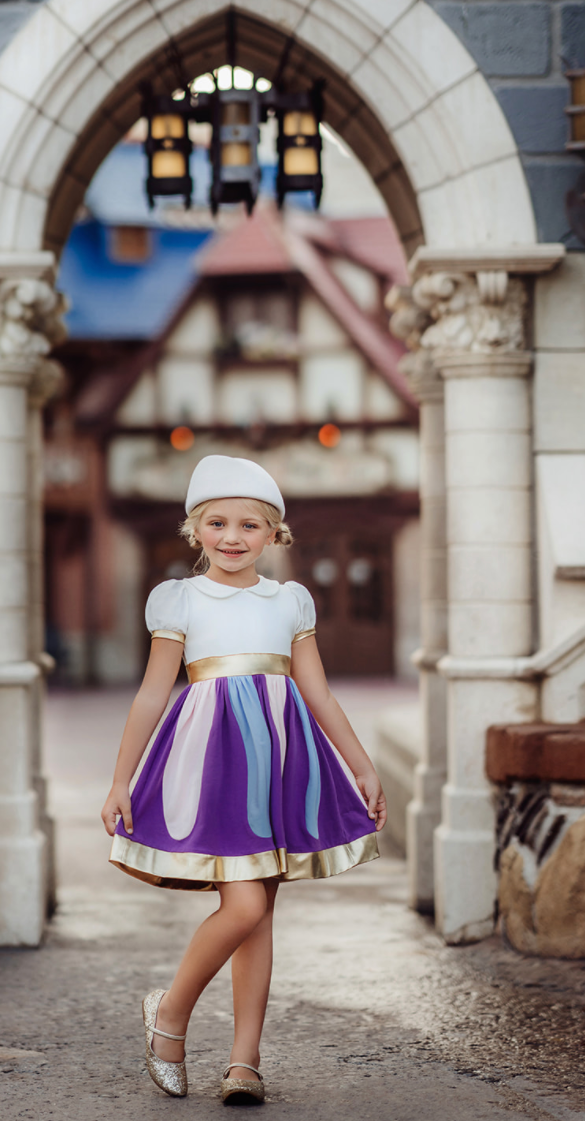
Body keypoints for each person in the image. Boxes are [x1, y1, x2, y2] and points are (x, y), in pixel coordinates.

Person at [101, 455, 387, 1104]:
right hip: (213, 764)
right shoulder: (179, 598)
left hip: (283, 762)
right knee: (246, 905)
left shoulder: (289, 600)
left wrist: (361, 766)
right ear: (195, 528)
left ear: (274, 535)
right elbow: (152, 695)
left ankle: (244, 1062)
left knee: (260, 914)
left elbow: (315, 691)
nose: (232, 537)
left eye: (249, 525)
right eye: (218, 523)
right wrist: (122, 780)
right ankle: (170, 1015)